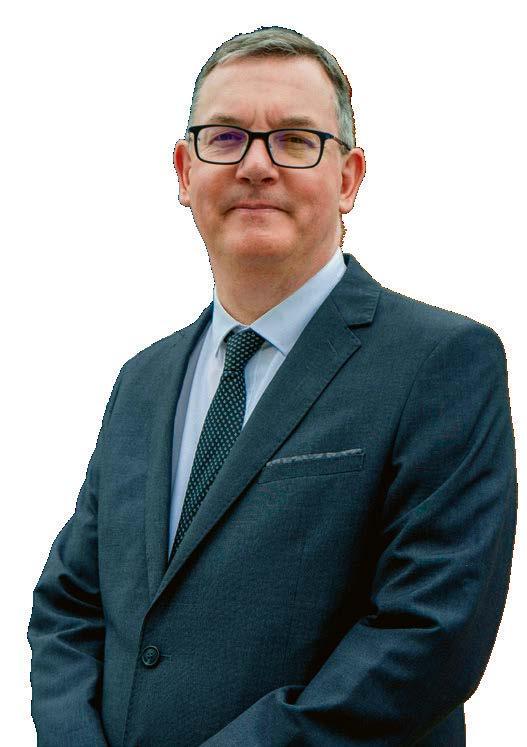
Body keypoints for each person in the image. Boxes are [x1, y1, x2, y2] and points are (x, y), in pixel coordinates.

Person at [27, 25, 517, 747]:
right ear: (184, 170)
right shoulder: (142, 381)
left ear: (347, 178)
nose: (256, 165)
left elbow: (427, 636)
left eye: (294, 140)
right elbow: (70, 607)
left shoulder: (440, 363)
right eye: (225, 138)